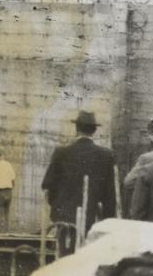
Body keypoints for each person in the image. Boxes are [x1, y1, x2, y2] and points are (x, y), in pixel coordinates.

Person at [41, 109, 116, 256]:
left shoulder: (61, 153)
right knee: (85, 258)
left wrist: (58, 207)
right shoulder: (106, 155)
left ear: (77, 128)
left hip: (64, 218)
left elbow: (47, 185)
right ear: (94, 130)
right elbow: (110, 195)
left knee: (63, 256)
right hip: (91, 217)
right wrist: (107, 221)